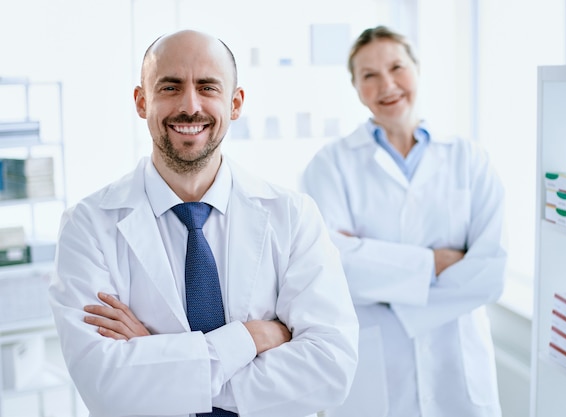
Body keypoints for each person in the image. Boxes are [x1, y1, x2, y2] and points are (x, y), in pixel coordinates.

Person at [48, 29, 359, 417]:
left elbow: (330, 371)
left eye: (208, 87)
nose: (190, 105)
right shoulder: (87, 226)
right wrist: (249, 338)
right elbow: (107, 389)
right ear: (142, 101)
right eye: (170, 87)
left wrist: (162, 363)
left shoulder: (293, 216)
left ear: (235, 103)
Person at [301, 25, 507, 417]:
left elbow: (490, 272)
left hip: (458, 361)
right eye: (369, 75)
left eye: (397, 67)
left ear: (417, 69)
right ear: (356, 88)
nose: (387, 84)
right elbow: (331, 269)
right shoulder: (329, 165)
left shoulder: (469, 158)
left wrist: (378, 273)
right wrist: (433, 263)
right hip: (376, 367)